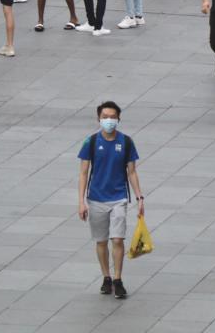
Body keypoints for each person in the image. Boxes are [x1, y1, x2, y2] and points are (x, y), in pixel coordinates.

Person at [76, 101, 144, 301]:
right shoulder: (90, 142)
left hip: (118, 198)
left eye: (112, 116)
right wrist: (81, 201)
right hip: (96, 198)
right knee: (101, 241)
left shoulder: (126, 142)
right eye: (105, 116)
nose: (109, 120)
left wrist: (140, 197)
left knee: (117, 239)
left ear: (119, 119)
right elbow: (83, 173)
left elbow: (132, 172)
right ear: (98, 119)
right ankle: (106, 276)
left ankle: (117, 279)